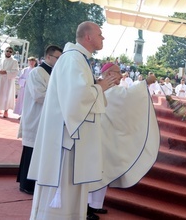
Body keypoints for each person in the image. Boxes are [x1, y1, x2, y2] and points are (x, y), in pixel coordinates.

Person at [27, 21, 119, 220]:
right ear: (88, 37)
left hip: (71, 139)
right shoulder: (73, 59)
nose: (103, 38)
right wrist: (99, 88)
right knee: (62, 193)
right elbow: (75, 99)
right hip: (65, 141)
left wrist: (99, 89)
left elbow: (82, 95)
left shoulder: (79, 59)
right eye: (100, 34)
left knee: (72, 193)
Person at [87, 62, 159, 219]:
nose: (121, 76)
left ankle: (95, 205)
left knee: (103, 170)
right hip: (98, 136)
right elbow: (127, 97)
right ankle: (86, 208)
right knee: (95, 171)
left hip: (106, 136)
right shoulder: (104, 88)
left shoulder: (109, 88)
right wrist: (145, 82)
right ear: (109, 74)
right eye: (118, 72)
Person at [16, 45, 63, 195]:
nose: (60, 60)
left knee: (41, 151)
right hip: (36, 116)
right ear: (48, 57)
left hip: (48, 118)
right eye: (57, 57)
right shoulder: (37, 72)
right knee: (31, 150)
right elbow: (39, 95)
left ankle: (35, 182)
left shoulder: (55, 73)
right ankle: (26, 184)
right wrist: (62, 97)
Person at [0, 44, 19, 118]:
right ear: (5, 51)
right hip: (0, 79)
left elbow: (16, 71)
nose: (8, 52)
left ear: (12, 53)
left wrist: (6, 71)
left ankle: (6, 111)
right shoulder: (0, 60)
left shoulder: (14, 61)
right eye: (7, 51)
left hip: (8, 80)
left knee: (6, 95)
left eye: (10, 51)